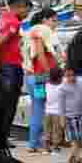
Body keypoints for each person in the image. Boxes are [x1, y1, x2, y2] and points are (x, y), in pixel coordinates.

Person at [0, 0, 32, 140]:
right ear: (20, 7)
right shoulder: (14, 22)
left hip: (4, 64)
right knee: (10, 104)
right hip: (10, 66)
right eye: (27, 11)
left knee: (2, 102)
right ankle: (2, 137)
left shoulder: (1, 18)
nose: (27, 16)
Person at [24, 8, 61, 153]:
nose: (55, 24)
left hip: (30, 76)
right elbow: (40, 54)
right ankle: (36, 144)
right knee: (41, 110)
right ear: (44, 19)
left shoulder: (29, 31)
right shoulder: (41, 31)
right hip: (40, 77)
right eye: (53, 20)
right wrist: (49, 73)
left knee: (36, 109)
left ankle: (34, 143)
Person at [60, 67, 82, 163]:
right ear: (65, 76)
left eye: (73, 75)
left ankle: (74, 156)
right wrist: (62, 118)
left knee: (80, 137)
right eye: (68, 76)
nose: (71, 78)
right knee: (73, 138)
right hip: (68, 116)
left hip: (80, 115)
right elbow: (61, 104)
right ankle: (76, 157)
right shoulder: (63, 87)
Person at [44, 68, 66, 154]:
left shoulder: (47, 85)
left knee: (47, 130)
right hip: (58, 112)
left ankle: (46, 148)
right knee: (57, 131)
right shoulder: (62, 86)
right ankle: (56, 148)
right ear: (60, 77)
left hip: (47, 111)